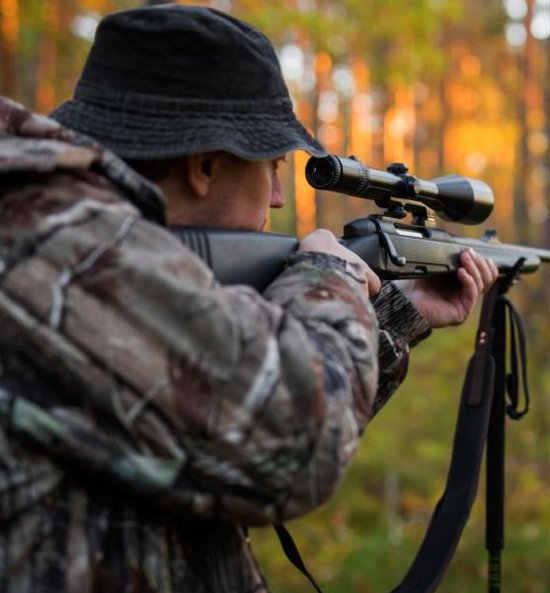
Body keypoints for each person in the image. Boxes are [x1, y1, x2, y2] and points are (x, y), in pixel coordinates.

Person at [0, 5, 496, 592]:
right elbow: (291, 448)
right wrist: (328, 277)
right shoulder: (56, 241)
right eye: (274, 166)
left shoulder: (59, 234)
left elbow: (215, 427)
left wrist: (393, 315)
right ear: (205, 166)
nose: (281, 198)